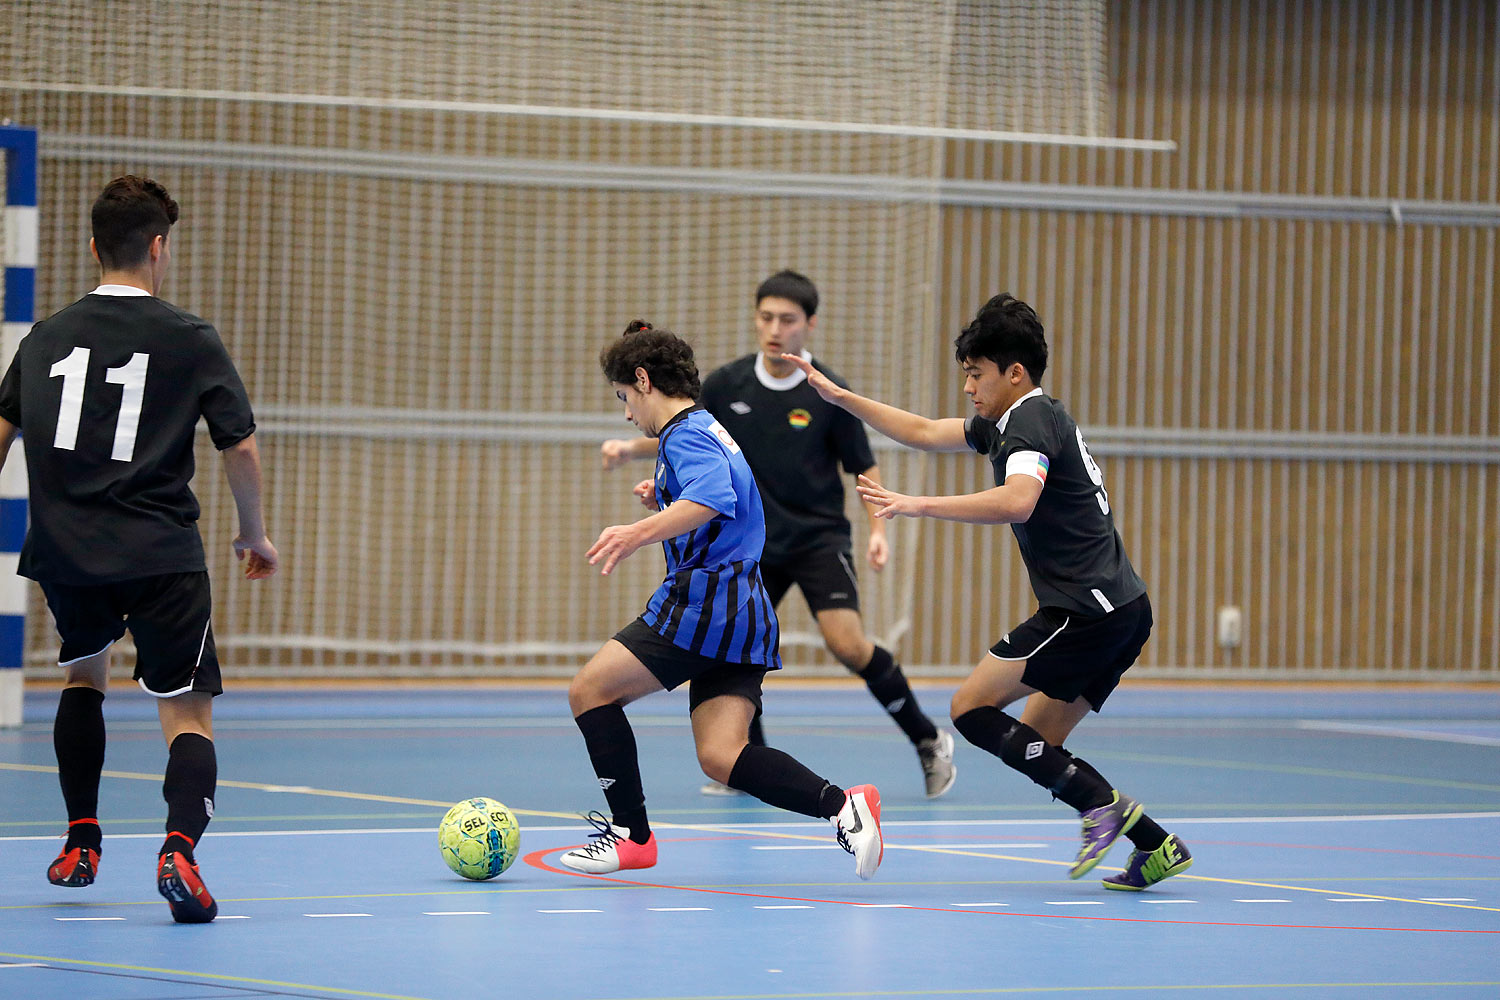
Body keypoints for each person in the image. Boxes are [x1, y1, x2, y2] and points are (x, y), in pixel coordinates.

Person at [780, 293, 1192, 890]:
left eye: (977, 374)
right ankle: (1155, 844)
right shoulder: (1018, 422)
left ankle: (1101, 807)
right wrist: (841, 398)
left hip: (1085, 610)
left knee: (969, 708)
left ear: (1014, 373)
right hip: (1123, 609)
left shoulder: (1028, 419)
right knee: (1041, 745)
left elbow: (1017, 499)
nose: (969, 387)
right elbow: (922, 431)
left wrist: (916, 504)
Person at [0, 175, 278, 923]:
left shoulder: (45, 337)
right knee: (187, 715)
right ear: (159, 248)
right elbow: (240, 449)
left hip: (65, 555)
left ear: (93, 247)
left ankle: (80, 840)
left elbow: (1, 437)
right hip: (160, 554)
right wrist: (253, 533)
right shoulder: (189, 337)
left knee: (83, 680)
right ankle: (179, 849)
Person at [602, 270, 955, 799]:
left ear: (808, 325)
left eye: (787, 320)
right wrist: (631, 450)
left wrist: (879, 528)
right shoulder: (728, 384)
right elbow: (689, 437)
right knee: (731, 634)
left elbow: (863, 466)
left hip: (817, 539)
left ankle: (927, 739)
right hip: (749, 543)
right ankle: (737, 760)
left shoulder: (826, 391)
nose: (775, 328)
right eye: (766, 317)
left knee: (848, 643)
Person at [561, 320, 883, 880]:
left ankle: (630, 837)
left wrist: (639, 532)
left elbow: (714, 497)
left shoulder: (684, 433)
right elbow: (720, 499)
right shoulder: (706, 427)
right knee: (722, 754)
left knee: (590, 691)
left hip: (705, 603)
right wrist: (662, 498)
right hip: (744, 608)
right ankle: (843, 806)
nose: (627, 414)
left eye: (624, 398)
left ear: (643, 380)